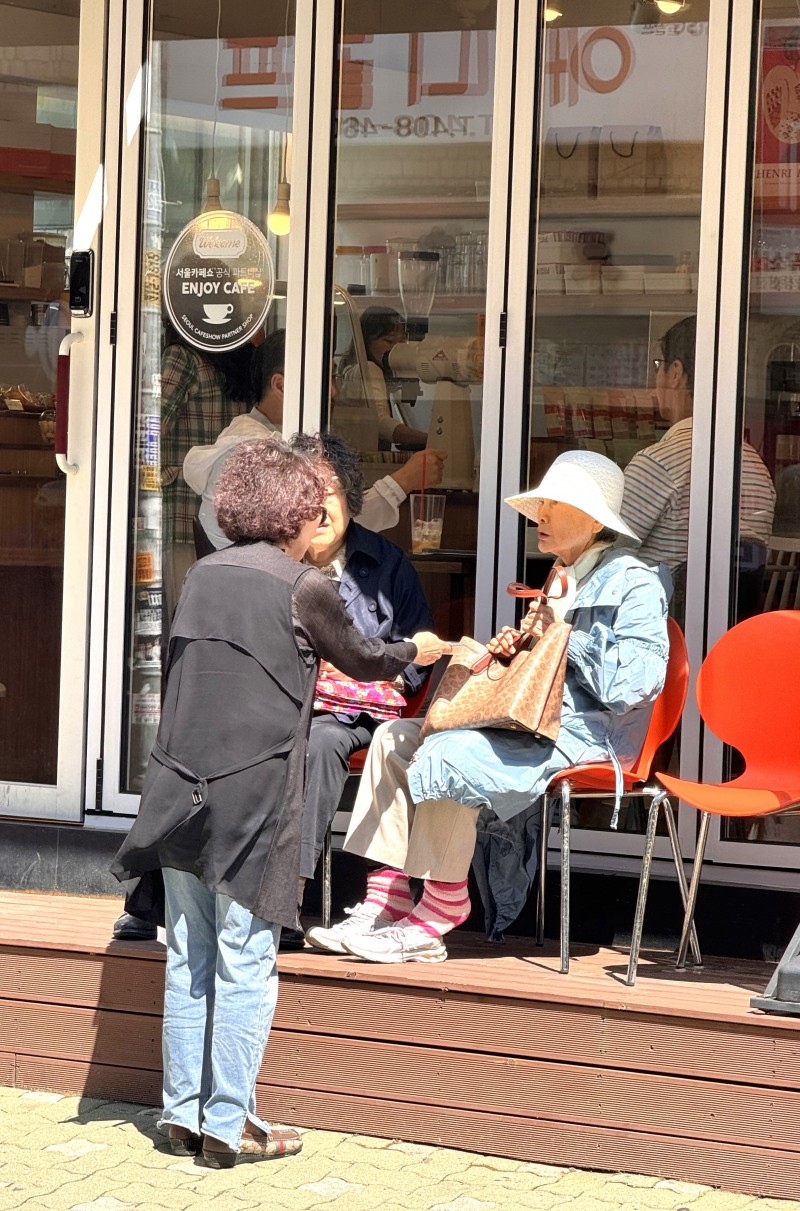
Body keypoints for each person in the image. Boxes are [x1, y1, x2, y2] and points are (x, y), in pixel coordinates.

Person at [110, 436, 449, 1166]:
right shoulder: (303, 586)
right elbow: (366, 657)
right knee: (245, 958)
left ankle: (181, 1113)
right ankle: (229, 1126)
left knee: (188, 955)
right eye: (311, 505)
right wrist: (418, 647)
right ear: (291, 512)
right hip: (252, 798)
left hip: (178, 791)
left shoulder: (204, 573)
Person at [307, 450, 670, 962]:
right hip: (532, 723)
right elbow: (546, 668)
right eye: (540, 504)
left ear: (592, 519)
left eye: (553, 505)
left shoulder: (636, 581)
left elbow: (637, 683)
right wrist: (520, 648)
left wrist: (561, 638)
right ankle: (387, 895)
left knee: (448, 752)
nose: (540, 516)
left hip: (587, 736)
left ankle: (440, 906)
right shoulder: (564, 574)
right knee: (394, 739)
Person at [287, 432, 433, 945]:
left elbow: (419, 649)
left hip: (353, 714)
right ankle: (163, 893)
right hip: (279, 705)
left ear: (350, 494)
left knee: (321, 742)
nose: (322, 508)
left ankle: (287, 897)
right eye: (306, 492)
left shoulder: (386, 561)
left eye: (330, 491)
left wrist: (374, 671)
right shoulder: (278, 559)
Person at [183, 327, 444, 551]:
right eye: (323, 379)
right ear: (281, 386)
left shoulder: (281, 440)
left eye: (333, 377)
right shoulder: (253, 452)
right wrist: (404, 481)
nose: (333, 391)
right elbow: (323, 529)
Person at [621, 315, 775, 615]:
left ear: (676, 371)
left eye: (658, 366)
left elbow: (602, 559)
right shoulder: (758, 470)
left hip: (656, 638)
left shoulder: (658, 464)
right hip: (731, 637)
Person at [160, 329, 257, 616]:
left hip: (183, 506)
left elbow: (148, 425)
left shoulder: (183, 357)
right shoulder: (245, 361)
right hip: (234, 511)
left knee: (184, 609)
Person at [339, 306, 428, 448]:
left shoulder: (352, 369)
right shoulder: (369, 369)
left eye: (402, 342)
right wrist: (429, 439)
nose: (396, 348)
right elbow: (380, 423)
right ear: (367, 341)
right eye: (389, 341)